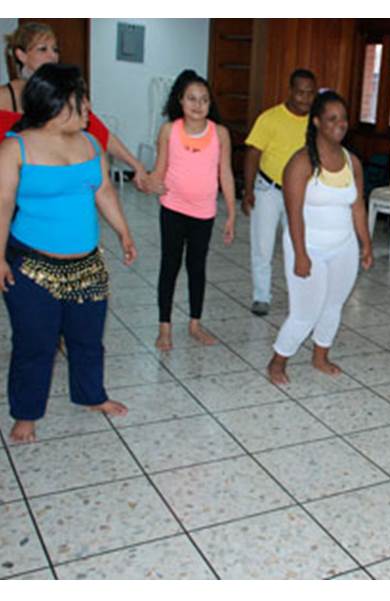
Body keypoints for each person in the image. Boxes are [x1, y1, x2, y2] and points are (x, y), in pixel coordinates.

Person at [0, 63, 137, 443]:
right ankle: (26, 413)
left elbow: (104, 191)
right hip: (31, 266)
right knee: (34, 342)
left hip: (87, 265)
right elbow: (3, 204)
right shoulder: (16, 147)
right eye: (81, 99)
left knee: (88, 338)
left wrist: (124, 232)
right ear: (56, 103)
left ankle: (91, 396)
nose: (88, 106)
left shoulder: (91, 143)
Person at [266, 90, 373, 385]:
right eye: (332, 119)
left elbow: (357, 206)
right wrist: (301, 254)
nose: (340, 124)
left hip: (343, 246)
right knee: (305, 311)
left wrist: (365, 243)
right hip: (307, 245)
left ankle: (320, 356)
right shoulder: (300, 163)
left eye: (343, 119)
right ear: (316, 122)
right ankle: (278, 360)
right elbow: (294, 214)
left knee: (333, 305)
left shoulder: (353, 163)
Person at [1, 22, 148, 190]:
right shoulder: (4, 97)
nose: (52, 56)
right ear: (21, 55)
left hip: (51, 188)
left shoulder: (66, 98)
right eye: (43, 49)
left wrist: (137, 165)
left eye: (55, 50)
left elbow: (102, 133)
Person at [148, 69, 235, 351]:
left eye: (204, 100)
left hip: (204, 212)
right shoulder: (168, 131)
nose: (198, 105)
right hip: (172, 208)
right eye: (192, 99)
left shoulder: (219, 134)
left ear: (210, 104)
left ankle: (195, 324)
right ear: (180, 101)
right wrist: (151, 183)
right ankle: (164, 327)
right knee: (169, 265)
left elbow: (226, 174)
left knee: (197, 268)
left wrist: (231, 213)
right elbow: (159, 169)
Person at [242, 68, 317, 316]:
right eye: (300, 93)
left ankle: (299, 295)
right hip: (268, 189)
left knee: (298, 244)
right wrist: (248, 189)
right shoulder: (270, 118)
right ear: (290, 91)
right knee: (263, 245)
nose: (305, 99)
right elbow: (253, 154)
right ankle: (261, 296)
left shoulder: (315, 122)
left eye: (310, 93)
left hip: (300, 193)